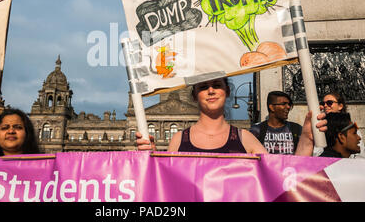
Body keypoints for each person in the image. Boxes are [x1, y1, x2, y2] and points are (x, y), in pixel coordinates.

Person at [137, 77, 327, 156]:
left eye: (217, 85)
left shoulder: (246, 138)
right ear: (195, 95)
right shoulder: (178, 140)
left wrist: (307, 137)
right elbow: (166, 187)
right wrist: (152, 158)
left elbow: (281, 178)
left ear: (227, 91)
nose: (211, 91)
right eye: (203, 87)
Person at [315, 91, 365, 159]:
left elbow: (360, 155)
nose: (325, 106)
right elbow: (315, 154)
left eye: (329, 103)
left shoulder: (350, 127)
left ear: (340, 106)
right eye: (323, 103)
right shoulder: (320, 128)